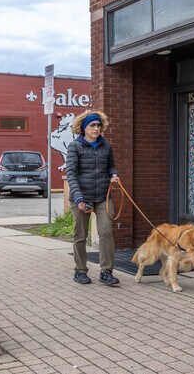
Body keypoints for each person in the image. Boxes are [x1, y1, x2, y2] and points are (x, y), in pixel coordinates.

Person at [66, 110, 120, 286]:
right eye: (92, 125)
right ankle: (80, 271)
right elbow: (71, 174)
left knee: (106, 232)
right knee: (80, 235)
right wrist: (79, 198)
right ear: (84, 128)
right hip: (81, 197)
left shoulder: (106, 146)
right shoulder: (75, 146)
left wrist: (113, 175)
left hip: (103, 196)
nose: (97, 128)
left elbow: (110, 166)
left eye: (98, 125)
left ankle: (106, 272)